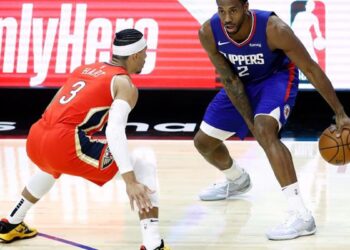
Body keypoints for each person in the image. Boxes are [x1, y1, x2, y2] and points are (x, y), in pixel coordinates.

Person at [0, 28, 170, 250]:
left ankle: (11, 222)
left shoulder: (86, 68)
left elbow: (54, 105)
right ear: (136, 55)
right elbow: (114, 131)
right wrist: (130, 181)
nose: (146, 58)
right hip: (63, 143)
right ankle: (153, 243)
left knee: (51, 166)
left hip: (36, 136)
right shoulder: (124, 84)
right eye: (145, 54)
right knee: (142, 164)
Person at [193, 0, 350, 240]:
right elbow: (230, 80)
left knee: (266, 131)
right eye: (221, 11)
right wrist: (248, 121)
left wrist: (339, 111)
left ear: (246, 7)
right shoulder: (208, 32)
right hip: (241, 82)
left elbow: (310, 68)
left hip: (275, 80)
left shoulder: (274, 29)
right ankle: (237, 180)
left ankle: (302, 216)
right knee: (203, 143)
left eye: (233, 10)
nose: (227, 18)